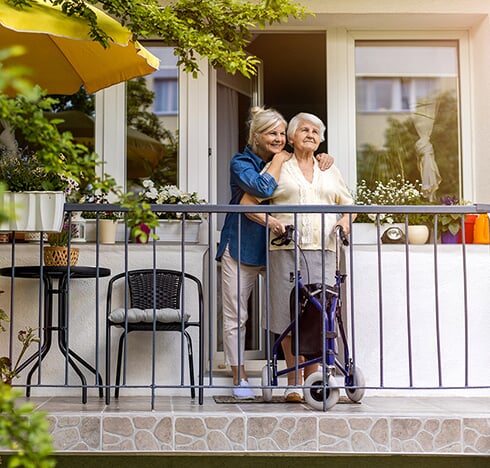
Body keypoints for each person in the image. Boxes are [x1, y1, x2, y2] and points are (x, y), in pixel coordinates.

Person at [216, 107, 333, 399]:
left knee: (291, 311)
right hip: (242, 246)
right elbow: (259, 188)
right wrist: (281, 159)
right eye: (272, 133)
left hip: (279, 251)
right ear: (256, 136)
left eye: (282, 134)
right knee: (237, 315)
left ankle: (301, 377)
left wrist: (321, 159)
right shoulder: (242, 162)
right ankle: (239, 376)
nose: (279, 139)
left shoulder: (288, 164)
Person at [240, 112, 354, 402]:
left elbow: (349, 204)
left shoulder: (329, 169)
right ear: (290, 137)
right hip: (286, 249)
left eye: (316, 131)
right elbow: (247, 203)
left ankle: (313, 380)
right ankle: (293, 381)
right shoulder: (277, 167)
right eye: (304, 129)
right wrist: (273, 223)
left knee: (317, 315)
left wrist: (344, 222)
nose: (311, 135)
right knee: (287, 315)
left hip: (325, 249)